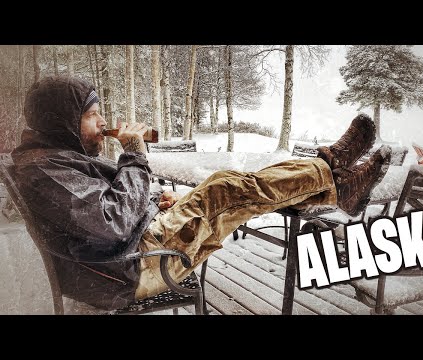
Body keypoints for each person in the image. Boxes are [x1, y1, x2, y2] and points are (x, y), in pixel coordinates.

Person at [11, 75, 392, 310]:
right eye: (93, 115)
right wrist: (133, 154)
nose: (103, 123)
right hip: (131, 269)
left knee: (232, 190)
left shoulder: (52, 159)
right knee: (224, 189)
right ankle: (334, 177)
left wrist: (150, 202)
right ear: (63, 119)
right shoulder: (44, 169)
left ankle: (335, 181)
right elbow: (110, 222)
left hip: (125, 256)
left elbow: (100, 213)